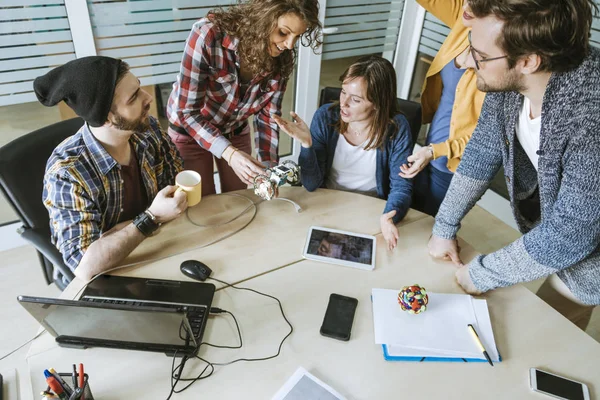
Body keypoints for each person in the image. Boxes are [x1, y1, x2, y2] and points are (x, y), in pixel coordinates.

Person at [428, 0, 600, 329]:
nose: (466, 62)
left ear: (527, 61)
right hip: (567, 232)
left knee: (546, 335)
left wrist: (481, 274)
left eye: (478, 55)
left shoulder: (591, 114)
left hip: (589, 250)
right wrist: (444, 227)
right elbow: (483, 148)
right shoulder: (509, 79)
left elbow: (571, 234)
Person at [36, 57, 187, 282]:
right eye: (134, 97)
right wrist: (151, 217)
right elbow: (85, 266)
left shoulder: (148, 129)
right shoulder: (67, 173)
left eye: (139, 87)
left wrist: (116, 234)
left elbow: (174, 191)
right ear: (106, 117)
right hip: (110, 279)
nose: (147, 98)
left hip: (159, 250)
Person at [167, 0, 322, 196]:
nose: (290, 45)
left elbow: (268, 117)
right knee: (202, 205)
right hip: (190, 133)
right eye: (283, 33)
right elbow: (186, 112)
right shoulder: (207, 35)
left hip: (234, 129)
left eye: (297, 36)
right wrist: (229, 153)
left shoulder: (282, 57)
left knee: (239, 199)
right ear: (263, 16)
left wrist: (268, 171)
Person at [274, 55, 413, 251]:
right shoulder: (326, 116)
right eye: (343, 92)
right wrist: (307, 145)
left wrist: (390, 216)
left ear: (377, 103)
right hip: (326, 204)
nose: (344, 103)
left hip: (372, 210)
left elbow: (401, 186)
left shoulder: (397, 128)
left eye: (355, 99)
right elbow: (311, 184)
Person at [399, 0, 485, 217]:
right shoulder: (464, 19)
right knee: (411, 214)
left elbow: (486, 139)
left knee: (429, 225)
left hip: (455, 164)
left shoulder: (500, 60)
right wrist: (430, 150)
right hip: (430, 150)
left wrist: (435, 151)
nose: (466, 6)